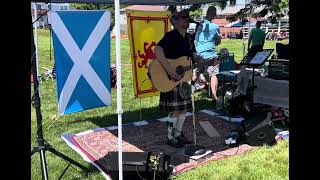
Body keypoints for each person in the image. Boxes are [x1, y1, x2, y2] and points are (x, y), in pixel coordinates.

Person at [154, 10, 193, 148]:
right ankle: (171, 137)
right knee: (175, 110)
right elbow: (157, 50)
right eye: (183, 17)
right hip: (171, 78)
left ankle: (178, 134)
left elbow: (192, 55)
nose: (187, 19)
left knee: (183, 109)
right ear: (175, 21)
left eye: (188, 17)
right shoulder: (170, 36)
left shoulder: (189, 37)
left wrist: (206, 61)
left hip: (185, 78)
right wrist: (170, 70)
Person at [194, 6, 222, 101]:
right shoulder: (215, 27)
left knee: (197, 72)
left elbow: (196, 39)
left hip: (199, 54)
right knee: (213, 75)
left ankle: (189, 92)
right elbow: (218, 42)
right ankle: (214, 96)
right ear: (214, 14)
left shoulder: (199, 25)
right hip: (211, 55)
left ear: (206, 13)